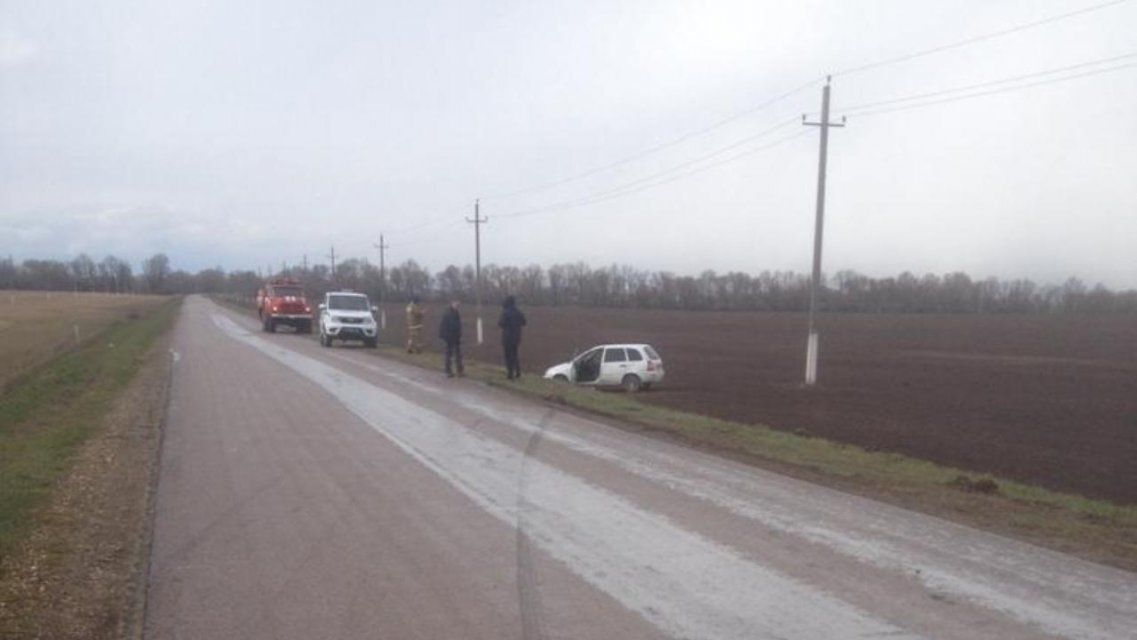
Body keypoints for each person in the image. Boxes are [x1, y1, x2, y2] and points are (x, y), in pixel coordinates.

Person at [497, 295, 527, 379]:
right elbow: (524, 322)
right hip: (517, 337)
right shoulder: (519, 312)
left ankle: (510, 374)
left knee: (508, 356)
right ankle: (518, 371)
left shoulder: (505, 312)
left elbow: (500, 323)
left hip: (507, 337)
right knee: (515, 354)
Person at [438, 300, 464, 377]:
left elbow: (457, 324)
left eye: (458, 304)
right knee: (449, 354)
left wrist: (459, 332)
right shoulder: (449, 313)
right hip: (450, 336)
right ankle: (448, 371)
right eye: (456, 303)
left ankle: (460, 371)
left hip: (455, 336)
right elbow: (450, 325)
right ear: (452, 303)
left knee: (458, 354)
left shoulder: (456, 312)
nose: (457, 305)